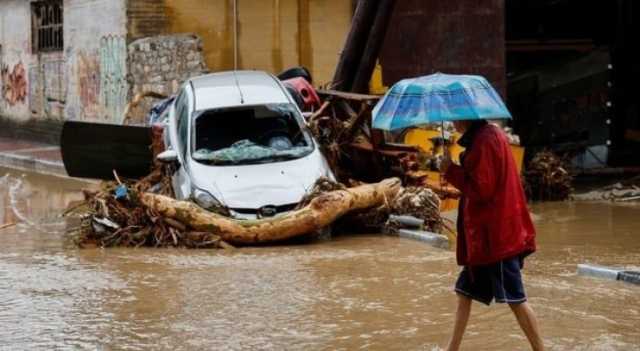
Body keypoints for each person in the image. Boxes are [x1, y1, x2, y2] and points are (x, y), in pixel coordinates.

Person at [441, 120, 544, 351]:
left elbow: (482, 189)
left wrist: (450, 169)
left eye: (457, 118)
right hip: (487, 238)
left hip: (496, 238)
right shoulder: (486, 136)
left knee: (516, 300)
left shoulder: (485, 141)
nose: (454, 123)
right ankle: (452, 349)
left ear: (466, 117)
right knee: (463, 292)